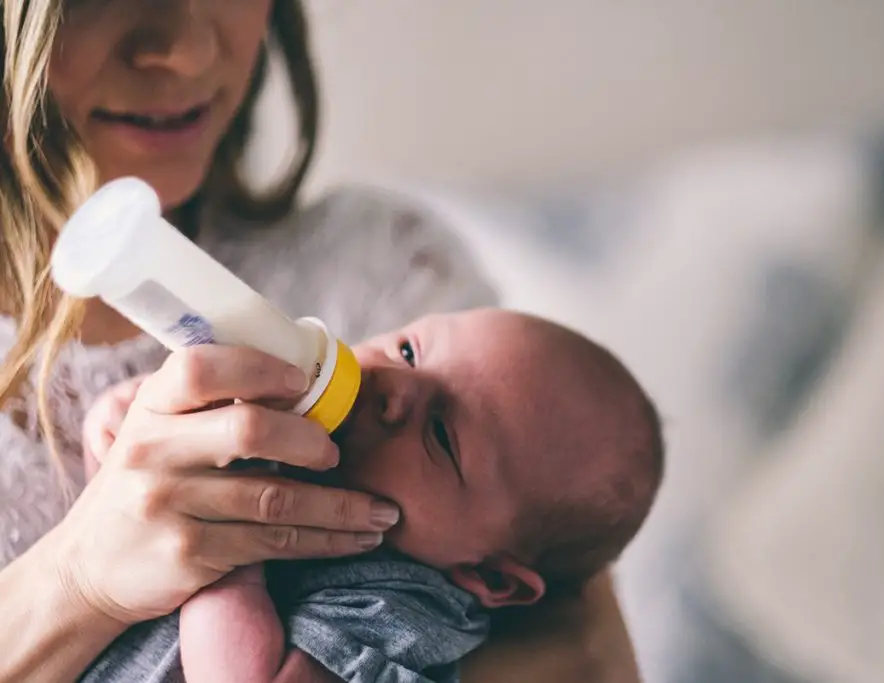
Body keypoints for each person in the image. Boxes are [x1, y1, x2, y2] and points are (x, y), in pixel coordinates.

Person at [0, 2, 642, 682]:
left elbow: (593, 655)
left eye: (442, 437)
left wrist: (229, 554)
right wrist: (82, 576)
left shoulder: (383, 273)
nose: (187, 51)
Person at [79, 308, 664, 682]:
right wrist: (129, 436)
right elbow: (123, 537)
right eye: (410, 350)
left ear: (490, 578)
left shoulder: (405, 604)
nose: (394, 384)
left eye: (440, 434)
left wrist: (229, 554)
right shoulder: (286, 438)